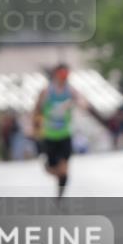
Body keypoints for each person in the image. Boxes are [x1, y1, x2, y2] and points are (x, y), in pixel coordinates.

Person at [31, 64, 104, 199]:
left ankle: (60, 196)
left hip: (65, 135)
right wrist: (35, 129)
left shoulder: (70, 91)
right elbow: (37, 110)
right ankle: (52, 170)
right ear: (56, 75)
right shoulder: (47, 92)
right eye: (62, 75)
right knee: (52, 169)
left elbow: (82, 102)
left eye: (66, 75)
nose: (64, 78)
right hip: (50, 136)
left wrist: (82, 104)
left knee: (64, 170)